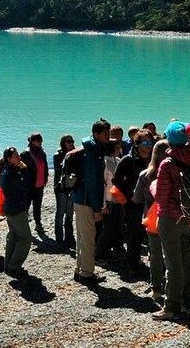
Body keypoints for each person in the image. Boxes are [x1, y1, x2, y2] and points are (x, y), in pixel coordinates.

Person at [152, 121, 190, 320]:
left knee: (173, 263)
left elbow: (161, 197)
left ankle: (172, 307)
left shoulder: (167, 163)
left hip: (171, 217)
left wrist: (153, 186)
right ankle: (188, 303)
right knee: (188, 259)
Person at [72, 119, 113, 285]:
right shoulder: (92, 154)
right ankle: (87, 274)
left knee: (82, 237)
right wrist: (97, 209)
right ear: (96, 134)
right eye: (105, 133)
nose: (107, 136)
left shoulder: (93, 150)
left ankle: (80, 269)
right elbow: (92, 184)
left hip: (81, 200)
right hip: (86, 201)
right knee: (88, 238)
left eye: (108, 133)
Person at [114, 129, 155, 277]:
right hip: (134, 206)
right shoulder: (128, 159)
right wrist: (129, 196)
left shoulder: (154, 160)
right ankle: (133, 266)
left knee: (151, 236)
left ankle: (155, 266)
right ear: (136, 144)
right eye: (144, 142)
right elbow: (116, 181)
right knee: (134, 237)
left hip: (152, 205)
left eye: (150, 142)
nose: (148, 146)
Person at [133, 138, 169, 303]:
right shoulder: (173, 172)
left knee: (155, 254)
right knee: (171, 252)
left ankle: (156, 288)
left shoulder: (145, 174)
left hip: (151, 218)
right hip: (170, 217)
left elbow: (136, 198)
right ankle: (172, 285)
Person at [0, 147, 33, 277]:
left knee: (13, 237)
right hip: (16, 209)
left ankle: (8, 265)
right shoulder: (11, 173)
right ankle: (14, 266)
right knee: (25, 238)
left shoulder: (7, 171)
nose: (19, 158)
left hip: (11, 208)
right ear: (9, 159)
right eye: (16, 156)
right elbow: (25, 187)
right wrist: (24, 171)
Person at [95, 138, 125, 264]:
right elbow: (102, 184)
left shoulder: (118, 161)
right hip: (108, 200)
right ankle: (98, 254)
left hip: (118, 199)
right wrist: (102, 204)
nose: (119, 149)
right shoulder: (105, 163)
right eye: (117, 147)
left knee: (117, 227)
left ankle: (112, 251)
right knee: (107, 229)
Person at [19, 132, 49, 234]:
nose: (40, 142)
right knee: (26, 205)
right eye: (37, 141)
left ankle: (38, 223)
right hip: (29, 185)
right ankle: (23, 225)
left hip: (39, 184)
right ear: (32, 141)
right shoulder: (25, 154)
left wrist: (46, 177)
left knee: (37, 205)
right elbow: (21, 169)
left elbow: (45, 166)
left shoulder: (42, 153)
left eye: (41, 141)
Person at [53, 134, 76, 247]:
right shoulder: (58, 155)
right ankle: (59, 236)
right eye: (68, 141)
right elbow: (58, 172)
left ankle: (69, 236)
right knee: (61, 212)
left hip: (72, 187)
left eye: (72, 141)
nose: (71, 143)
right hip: (61, 188)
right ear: (63, 143)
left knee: (70, 213)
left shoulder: (75, 154)